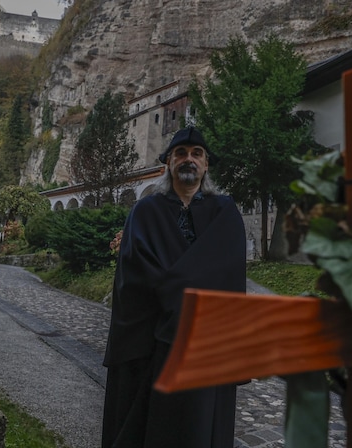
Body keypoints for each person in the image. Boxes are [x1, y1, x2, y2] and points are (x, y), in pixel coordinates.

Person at [101, 126, 246, 448]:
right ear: (167, 163)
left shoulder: (225, 213)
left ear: (207, 165)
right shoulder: (145, 212)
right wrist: (181, 301)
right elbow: (135, 275)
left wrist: (185, 295)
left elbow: (226, 275)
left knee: (198, 427)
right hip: (153, 340)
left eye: (197, 154)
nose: (188, 159)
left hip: (205, 342)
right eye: (180, 153)